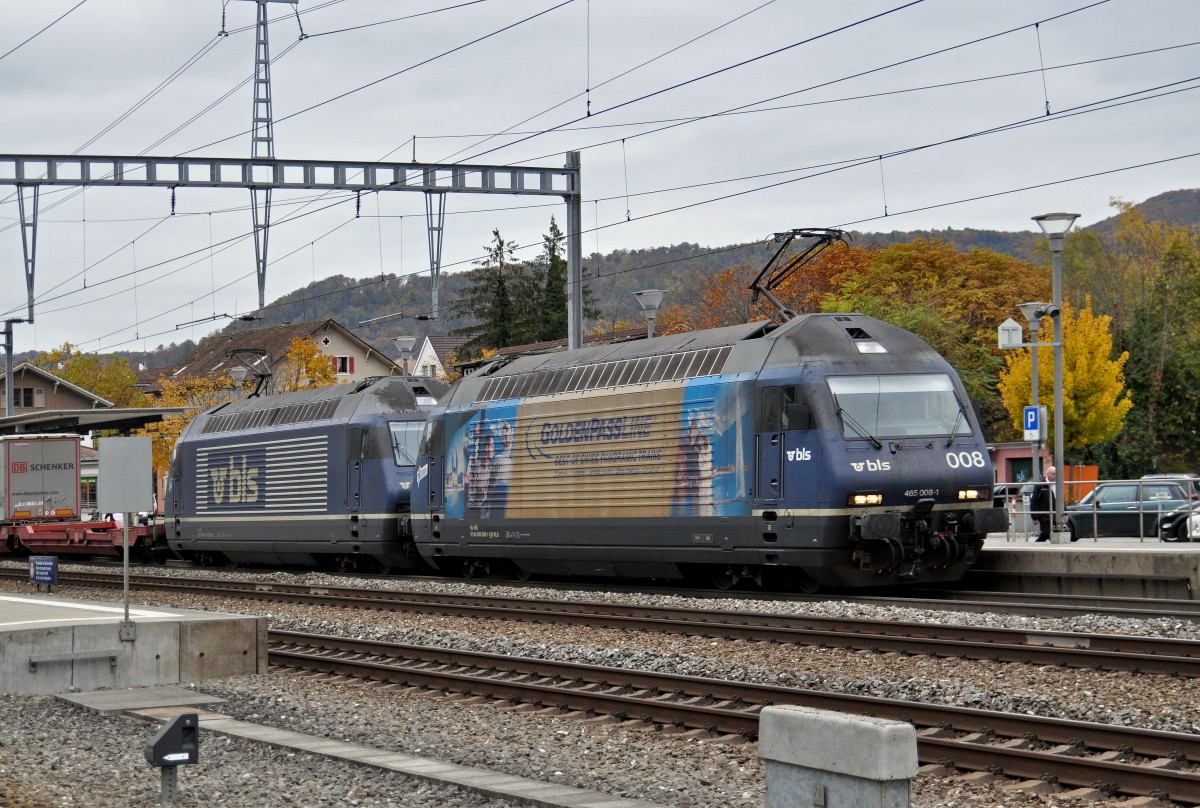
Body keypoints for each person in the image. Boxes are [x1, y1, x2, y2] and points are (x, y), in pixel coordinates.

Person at [1032, 466, 1056, 542]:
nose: (1055, 476)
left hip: (1055, 513)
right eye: (1053, 474)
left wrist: (1065, 513)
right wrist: (1034, 517)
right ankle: (1036, 545)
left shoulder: (1057, 484)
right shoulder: (1040, 485)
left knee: (1052, 533)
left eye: (1056, 474)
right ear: (1047, 474)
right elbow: (1034, 500)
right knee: (1046, 532)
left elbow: (1061, 499)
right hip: (1043, 513)